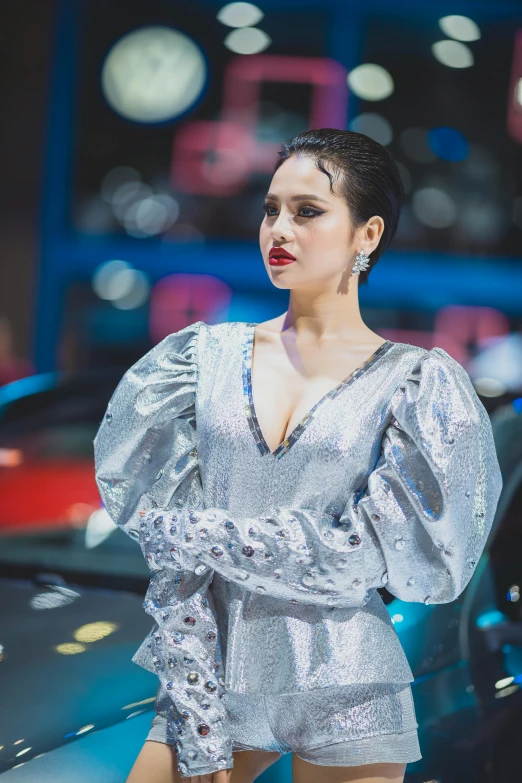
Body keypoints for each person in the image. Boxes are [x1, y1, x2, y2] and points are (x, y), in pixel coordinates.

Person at [94, 129, 503, 783]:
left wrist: (209, 536)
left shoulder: (415, 383)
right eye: (270, 209)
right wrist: (198, 707)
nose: (279, 228)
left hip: (349, 678)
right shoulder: (199, 360)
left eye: (308, 210)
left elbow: (376, 550)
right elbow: (169, 544)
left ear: (367, 235)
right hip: (220, 662)